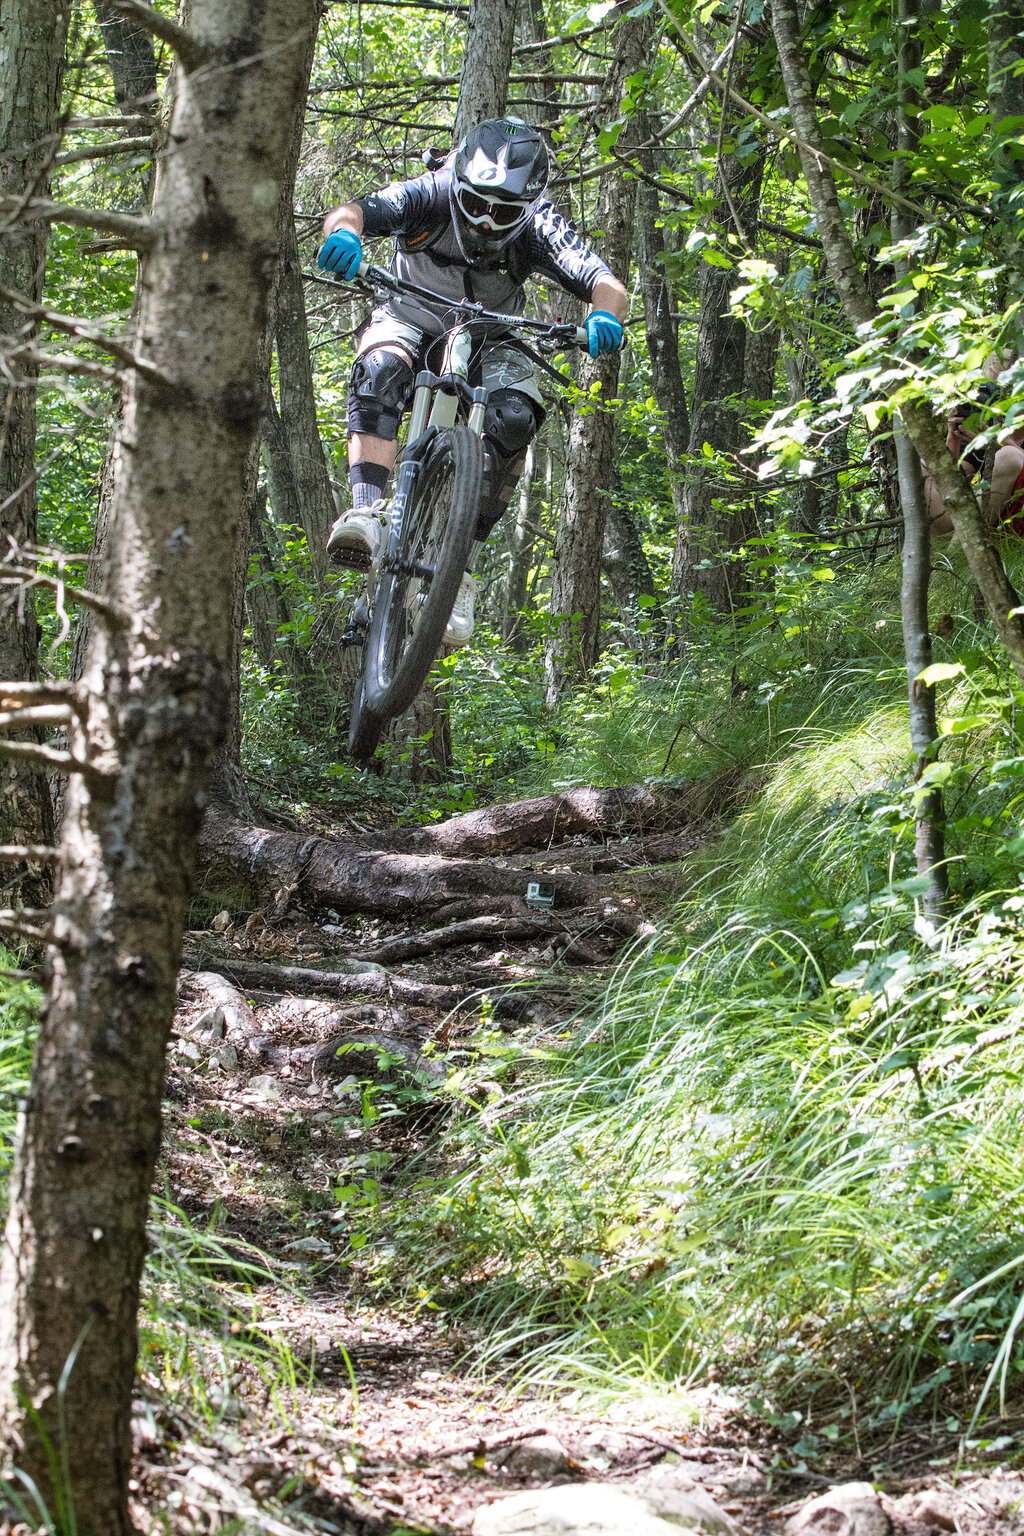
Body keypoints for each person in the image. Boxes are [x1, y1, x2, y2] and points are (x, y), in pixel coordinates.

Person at [317, 116, 628, 647]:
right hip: (408, 310)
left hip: (491, 333)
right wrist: (344, 233)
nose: (486, 221)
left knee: (515, 417)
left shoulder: (539, 227)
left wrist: (605, 315)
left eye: (503, 211)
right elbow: (354, 211)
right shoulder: (430, 192)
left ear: (527, 208)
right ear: (459, 183)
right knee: (381, 368)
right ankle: (368, 509)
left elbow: (605, 282)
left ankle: (459, 568)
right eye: (477, 203)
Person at [925, 385, 1024, 538]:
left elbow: (1011, 457)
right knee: (923, 466)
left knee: (1009, 456)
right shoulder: (984, 430)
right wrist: (953, 436)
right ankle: (948, 545)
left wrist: (1000, 443)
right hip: (981, 521)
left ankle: (957, 553)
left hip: (1015, 519)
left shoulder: (999, 439)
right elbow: (951, 481)